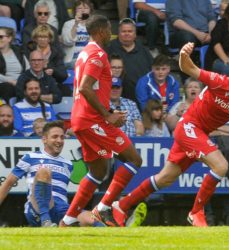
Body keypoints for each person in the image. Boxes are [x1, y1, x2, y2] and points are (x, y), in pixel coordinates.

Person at [110, 42, 229, 227]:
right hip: (188, 126)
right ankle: (196, 212)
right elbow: (188, 68)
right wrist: (183, 54)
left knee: (165, 178)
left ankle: (122, 205)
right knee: (221, 165)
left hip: (200, 133)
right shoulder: (220, 82)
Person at [60, 15, 147, 227]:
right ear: (100, 31)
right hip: (93, 121)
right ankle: (103, 207)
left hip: (81, 119)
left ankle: (68, 221)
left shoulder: (84, 54)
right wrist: (107, 115)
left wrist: (108, 110)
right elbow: (85, 87)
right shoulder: (98, 54)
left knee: (98, 172)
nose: (111, 33)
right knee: (134, 159)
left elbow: (91, 89)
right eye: (109, 29)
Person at [0, 121, 101, 227]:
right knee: (44, 171)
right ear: (44, 139)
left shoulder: (68, 164)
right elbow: (7, 184)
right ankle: (45, 221)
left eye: (62, 137)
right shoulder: (30, 158)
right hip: (36, 208)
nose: (59, 140)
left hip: (61, 209)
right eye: (55, 137)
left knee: (92, 218)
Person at [107, 17, 153, 103]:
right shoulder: (109, 48)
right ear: (118, 33)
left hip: (141, 99)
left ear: (135, 34)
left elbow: (152, 73)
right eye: (124, 31)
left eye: (130, 31)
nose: (127, 34)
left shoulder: (144, 50)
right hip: (115, 99)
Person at [109, 54, 144, 137]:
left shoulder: (131, 104)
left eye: (117, 87)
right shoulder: (101, 104)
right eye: (112, 87)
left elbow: (139, 126)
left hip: (131, 142)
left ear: (121, 88)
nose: (115, 90)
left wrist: (137, 138)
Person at [0, 26, 29, 103]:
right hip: (4, 83)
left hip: (20, 82)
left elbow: (28, 69)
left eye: (1, 37)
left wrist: (23, 81)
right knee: (8, 88)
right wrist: (11, 81)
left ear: (9, 38)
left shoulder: (18, 51)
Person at [61, 0, 93, 68]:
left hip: (89, 59)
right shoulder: (68, 24)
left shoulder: (94, 25)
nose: (83, 10)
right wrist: (76, 24)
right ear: (75, 11)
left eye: (86, 8)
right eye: (80, 8)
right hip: (72, 60)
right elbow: (67, 42)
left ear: (90, 11)